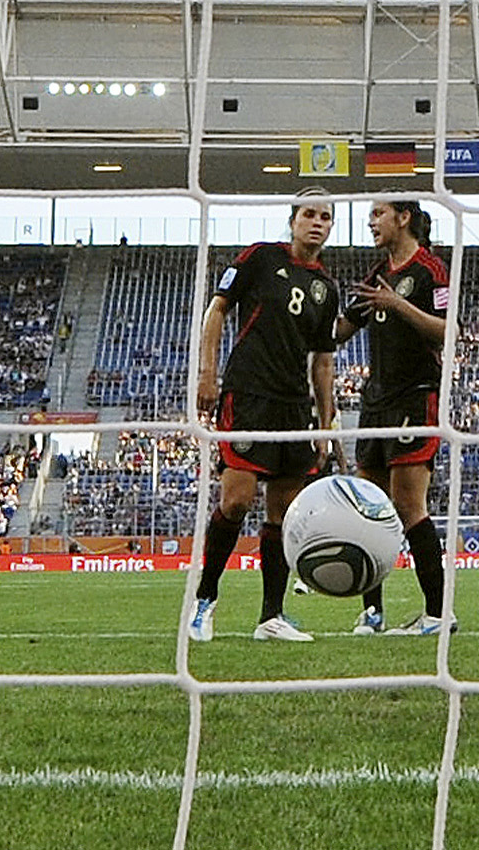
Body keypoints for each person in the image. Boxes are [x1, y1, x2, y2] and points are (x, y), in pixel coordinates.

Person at [187, 188, 342, 643]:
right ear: (293, 220)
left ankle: (271, 617)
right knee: (236, 500)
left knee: (283, 513)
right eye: (309, 214)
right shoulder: (260, 257)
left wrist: (325, 425)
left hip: (294, 406)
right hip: (248, 394)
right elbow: (217, 310)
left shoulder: (327, 289)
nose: (317, 223)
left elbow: (323, 362)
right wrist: (207, 374)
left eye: (325, 217)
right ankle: (204, 601)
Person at [334, 200, 453, 636]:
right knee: (369, 506)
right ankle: (373, 612)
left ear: (403, 218)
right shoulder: (377, 275)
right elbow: (341, 329)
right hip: (375, 403)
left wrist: (396, 303)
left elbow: (448, 331)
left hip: (415, 398)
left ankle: (439, 614)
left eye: (378, 213)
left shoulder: (430, 270)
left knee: (407, 504)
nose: (371, 222)